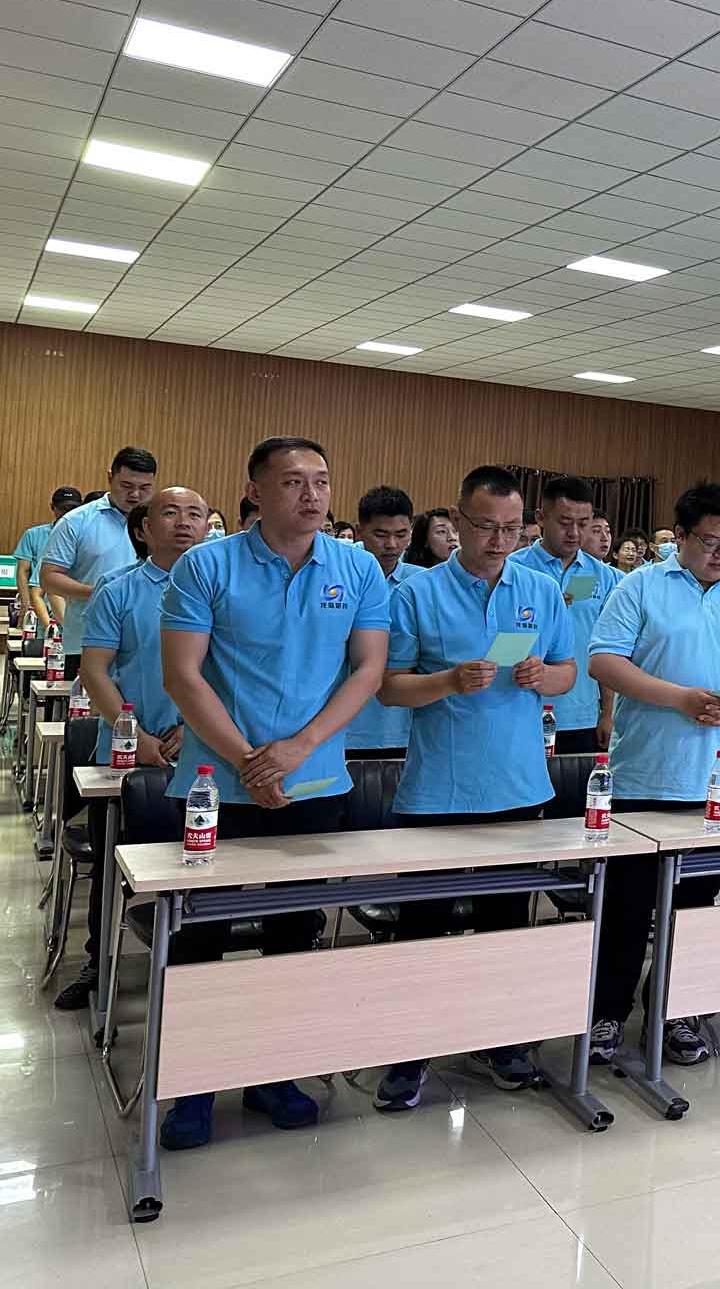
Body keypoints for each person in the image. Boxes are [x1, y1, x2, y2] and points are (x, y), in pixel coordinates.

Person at [157, 437, 389, 1148]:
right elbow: (182, 677)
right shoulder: (206, 565)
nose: (311, 495)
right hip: (215, 788)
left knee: (293, 934)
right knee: (200, 937)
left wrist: (297, 749)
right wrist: (250, 762)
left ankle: (272, 1073)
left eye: (321, 481)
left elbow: (367, 670)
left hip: (315, 783)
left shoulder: (357, 567)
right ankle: (191, 1086)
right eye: (292, 482)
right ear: (255, 492)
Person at [372, 466, 575, 1110]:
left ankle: (500, 1042)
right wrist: (447, 682)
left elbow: (569, 671)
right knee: (422, 929)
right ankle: (408, 1053)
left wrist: (545, 677)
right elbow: (388, 687)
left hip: (519, 787)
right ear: (457, 522)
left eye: (512, 529)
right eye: (485, 527)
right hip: (438, 790)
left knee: (505, 927)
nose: (498, 541)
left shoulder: (539, 589)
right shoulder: (418, 592)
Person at [587, 480, 720, 1067]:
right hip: (646, 773)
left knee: (695, 907)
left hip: (718, 779)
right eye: (710, 542)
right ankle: (606, 1012)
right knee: (626, 907)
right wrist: (677, 697)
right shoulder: (641, 586)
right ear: (680, 537)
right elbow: (604, 660)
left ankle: (677, 1011)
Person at [59, 489, 204, 1010]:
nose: (184, 522)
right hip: (125, 749)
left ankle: (194, 965)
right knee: (112, 865)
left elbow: (226, 670)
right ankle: (99, 962)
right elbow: (94, 669)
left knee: (201, 865)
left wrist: (195, 726)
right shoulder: (117, 588)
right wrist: (133, 734)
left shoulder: (221, 588)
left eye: (195, 514)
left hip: (199, 748)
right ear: (143, 529)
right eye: (170, 513)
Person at [511, 475, 620, 754]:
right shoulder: (512, 570)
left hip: (582, 715)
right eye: (564, 522)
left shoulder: (605, 577)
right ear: (541, 518)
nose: (574, 533)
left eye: (583, 524)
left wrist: (607, 712)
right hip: (519, 709)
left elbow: (608, 650)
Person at [40, 447, 155, 673]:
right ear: (110, 477)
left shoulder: (160, 524)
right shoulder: (76, 521)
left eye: (145, 488)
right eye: (127, 486)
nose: (135, 495)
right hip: (87, 641)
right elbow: (49, 578)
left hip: (146, 644)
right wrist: (102, 593)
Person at [347, 486, 421, 760]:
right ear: (359, 531)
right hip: (339, 727)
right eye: (380, 534)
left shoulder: (422, 583)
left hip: (401, 728)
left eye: (401, 534)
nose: (391, 544)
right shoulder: (337, 574)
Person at [12, 484, 82, 629]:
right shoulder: (33, 534)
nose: (67, 513)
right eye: (63, 508)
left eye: (72, 509)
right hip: (41, 605)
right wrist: (26, 604)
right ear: (52, 507)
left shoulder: (83, 538)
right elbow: (23, 571)